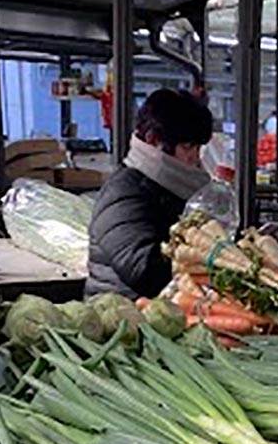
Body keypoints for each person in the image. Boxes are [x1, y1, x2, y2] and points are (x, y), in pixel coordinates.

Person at [86, 88, 213, 299]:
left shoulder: (175, 187)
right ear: (153, 139)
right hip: (122, 315)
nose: (195, 159)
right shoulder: (123, 191)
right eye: (187, 147)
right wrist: (213, 260)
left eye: (198, 149)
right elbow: (144, 270)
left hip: (164, 310)